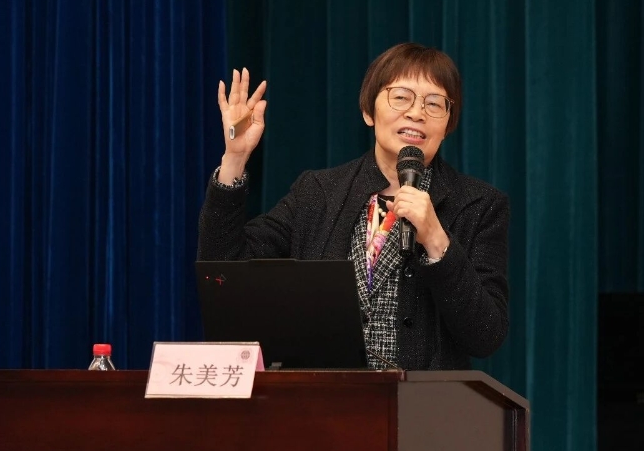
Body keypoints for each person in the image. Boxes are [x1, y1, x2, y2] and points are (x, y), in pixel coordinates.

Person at [197, 42, 509, 370]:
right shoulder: (318, 192)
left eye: (434, 103)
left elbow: (485, 336)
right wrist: (235, 159)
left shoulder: (478, 204)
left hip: (420, 400)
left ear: (447, 124)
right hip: (326, 397)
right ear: (368, 112)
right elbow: (223, 272)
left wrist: (436, 241)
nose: (417, 113)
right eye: (401, 97)